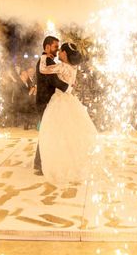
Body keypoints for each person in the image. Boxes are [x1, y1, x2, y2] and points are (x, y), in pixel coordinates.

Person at [37, 42, 98, 182]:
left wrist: (43, 56)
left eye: (61, 51)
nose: (58, 52)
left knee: (56, 133)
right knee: (69, 133)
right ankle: (71, 162)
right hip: (70, 100)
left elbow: (43, 69)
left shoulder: (63, 66)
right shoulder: (73, 67)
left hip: (59, 101)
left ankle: (59, 162)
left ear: (64, 53)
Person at [33, 36, 70, 175]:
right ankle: (41, 164)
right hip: (44, 102)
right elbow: (54, 81)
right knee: (47, 132)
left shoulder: (47, 60)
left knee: (47, 132)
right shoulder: (46, 60)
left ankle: (40, 162)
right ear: (47, 47)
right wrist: (69, 88)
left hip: (46, 102)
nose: (57, 49)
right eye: (55, 47)